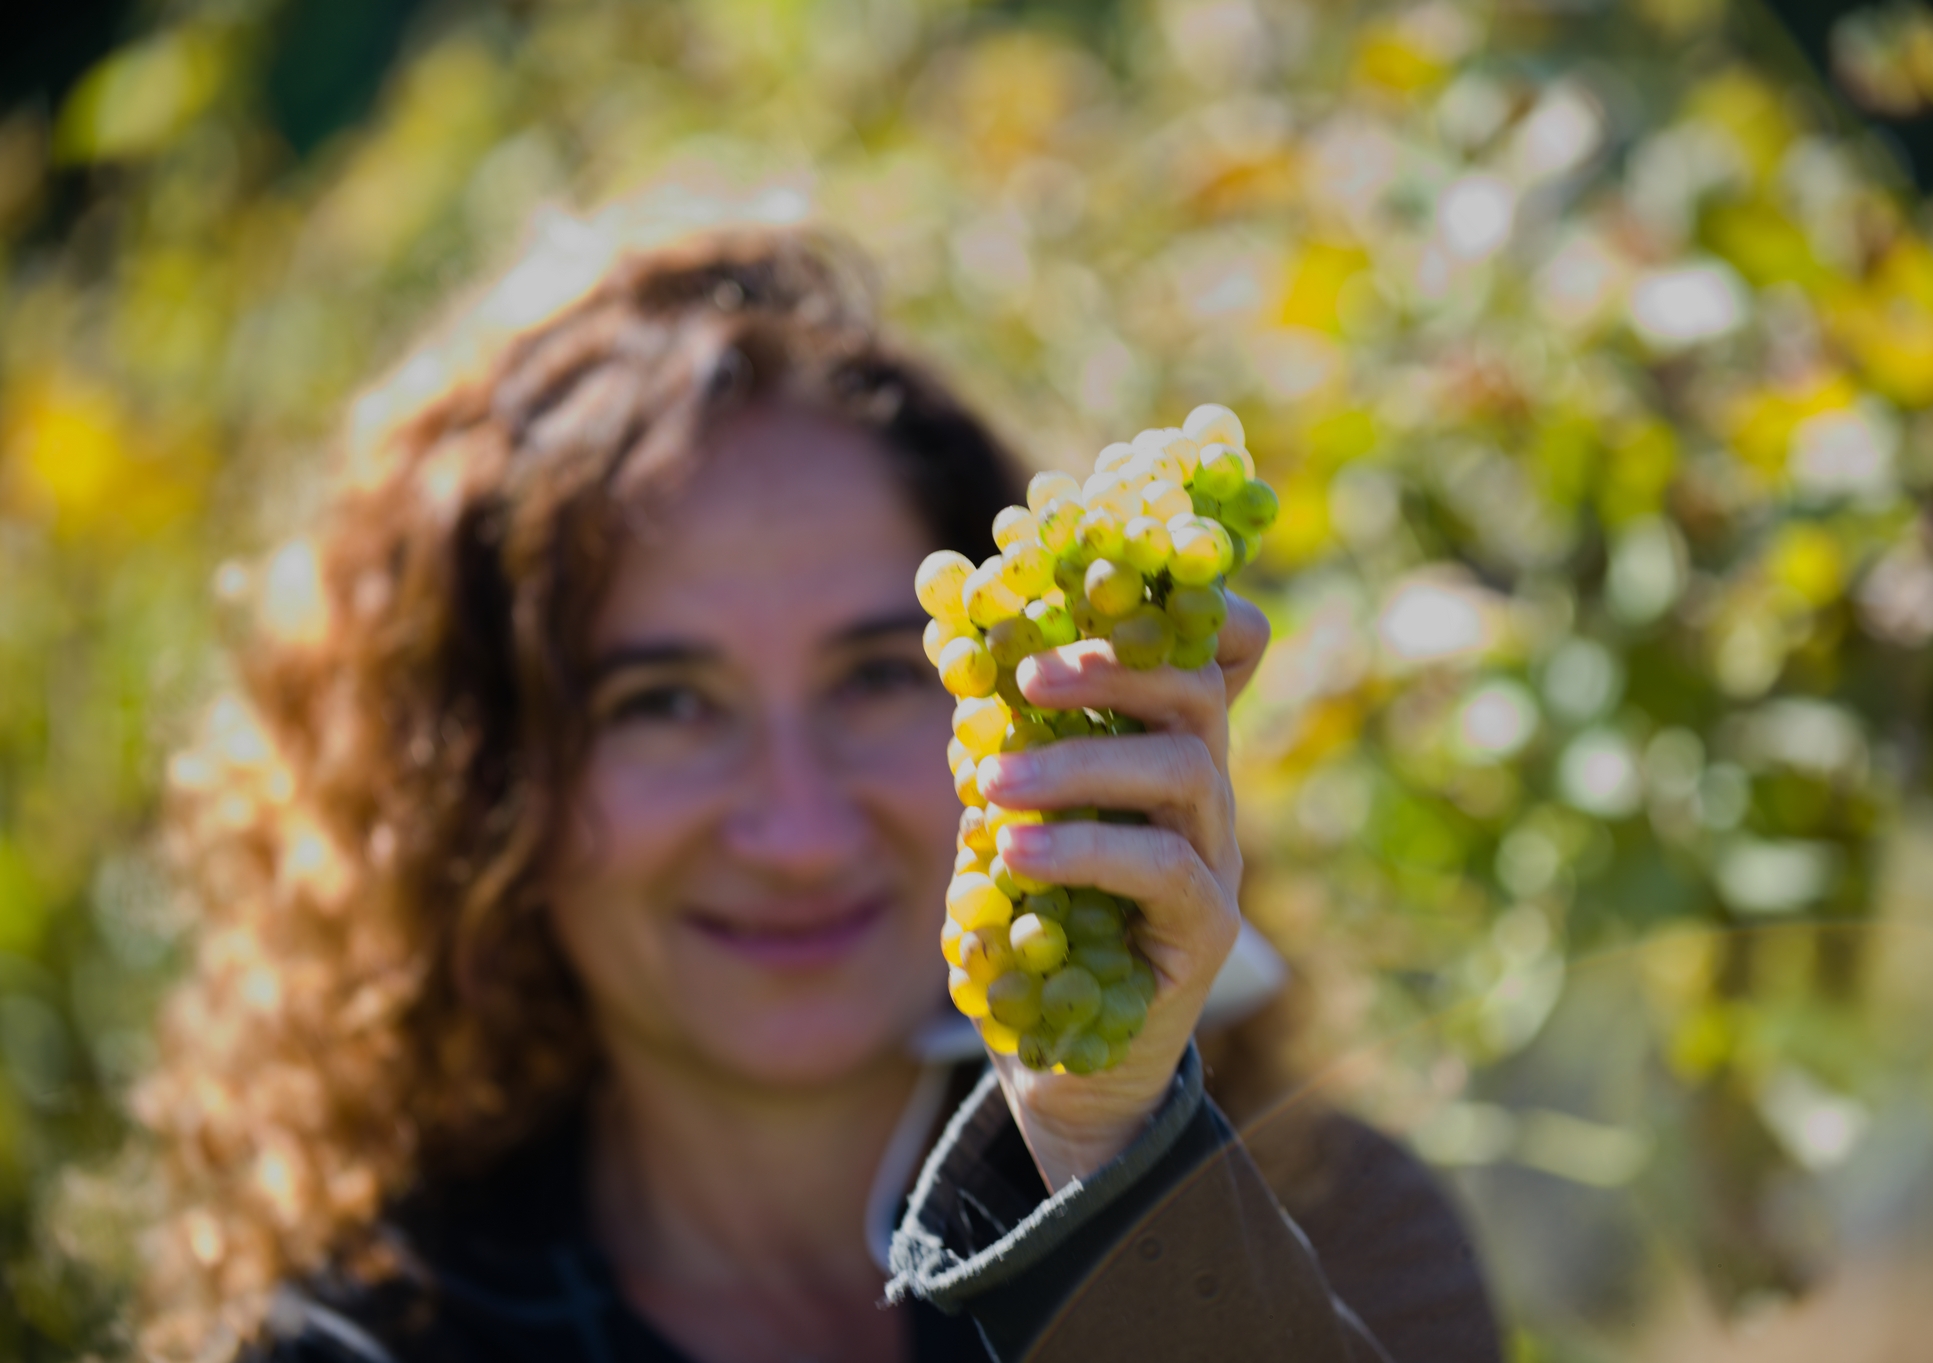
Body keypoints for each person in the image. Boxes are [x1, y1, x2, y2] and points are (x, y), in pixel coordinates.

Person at [136, 219, 1500, 1363]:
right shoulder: (365, 1347)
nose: (797, 829)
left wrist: (1105, 1149)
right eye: (663, 704)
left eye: (874, 679)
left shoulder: (1327, 1230)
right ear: (479, 782)